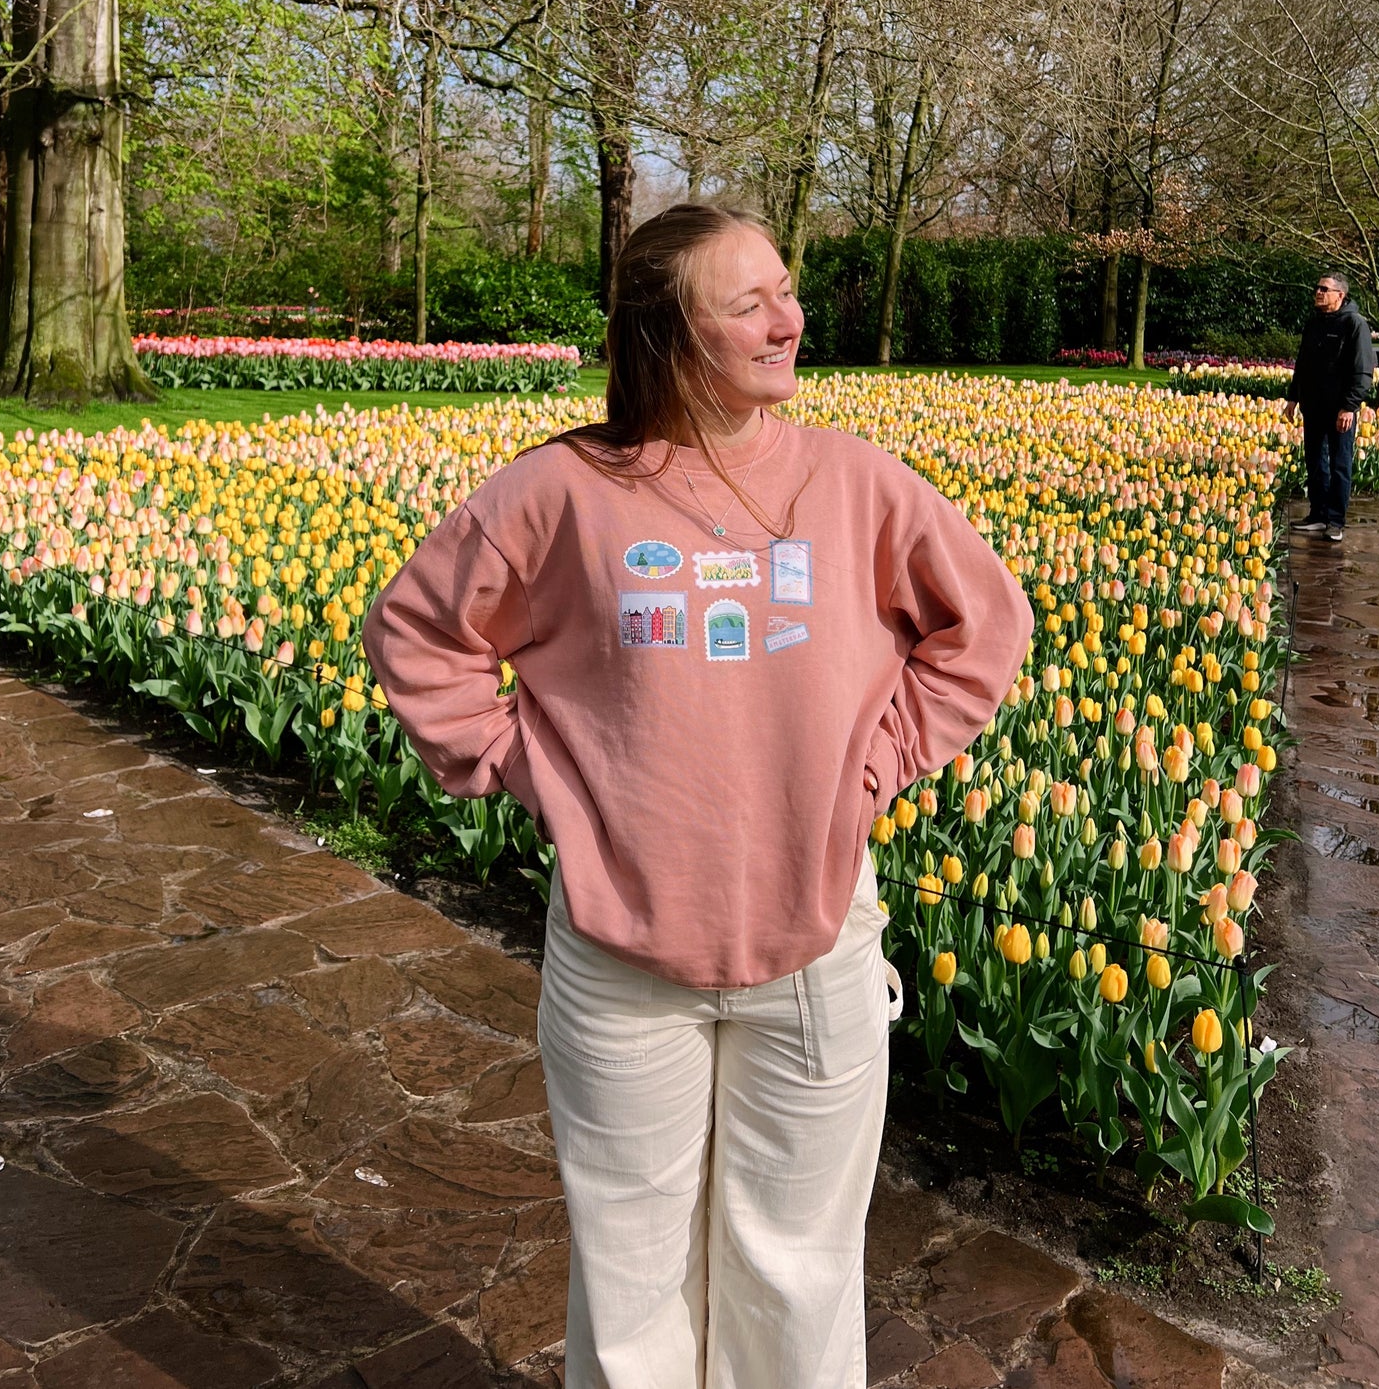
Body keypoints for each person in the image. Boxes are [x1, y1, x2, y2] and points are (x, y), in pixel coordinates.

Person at [362, 203, 1033, 1389]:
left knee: (796, 1269)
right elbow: (419, 635)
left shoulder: (853, 482)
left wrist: (875, 760)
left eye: (785, 290)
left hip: (815, 949)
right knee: (630, 1278)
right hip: (622, 964)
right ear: (670, 334)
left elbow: (983, 626)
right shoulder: (561, 492)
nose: (790, 319)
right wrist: (532, 773)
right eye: (751, 303)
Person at [1285, 271, 1377, 543]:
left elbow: (1363, 370)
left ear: (1340, 295)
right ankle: (1318, 514)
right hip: (1313, 406)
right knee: (1314, 461)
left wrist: (1349, 406)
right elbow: (1302, 364)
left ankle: (1335, 521)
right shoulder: (1315, 323)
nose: (1318, 292)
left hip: (1340, 410)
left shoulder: (1354, 324)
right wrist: (1293, 397)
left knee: (1339, 464)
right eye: (1317, 287)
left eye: (1324, 288)